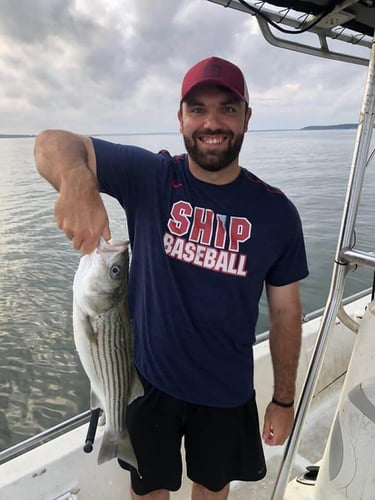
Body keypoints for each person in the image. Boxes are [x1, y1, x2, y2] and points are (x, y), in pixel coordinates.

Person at [34, 56, 308, 500]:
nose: (212, 122)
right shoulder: (152, 177)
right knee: (148, 493)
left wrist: (282, 400)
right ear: (180, 117)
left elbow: (285, 313)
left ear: (247, 118)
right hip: (148, 383)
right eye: (197, 108)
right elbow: (51, 142)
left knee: (213, 491)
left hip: (226, 390)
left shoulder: (276, 212)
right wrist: (76, 179)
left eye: (227, 108)